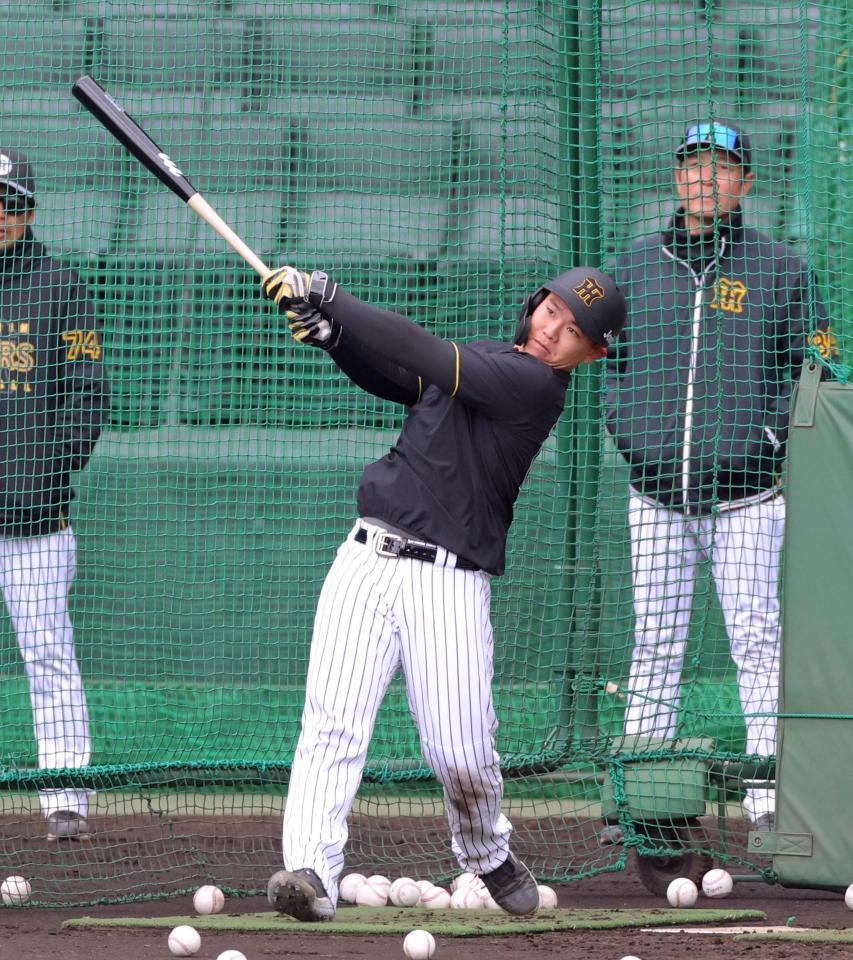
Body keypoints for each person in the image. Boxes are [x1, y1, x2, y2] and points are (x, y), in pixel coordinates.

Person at [259, 262, 627, 919]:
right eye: (552, 310)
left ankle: (486, 853)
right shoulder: (487, 355)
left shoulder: (537, 386)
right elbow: (399, 376)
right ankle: (310, 873)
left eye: (573, 330)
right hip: (366, 558)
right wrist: (334, 340)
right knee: (332, 724)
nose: (552, 330)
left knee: (460, 752)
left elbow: (423, 352)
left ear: (591, 353)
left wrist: (332, 298)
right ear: (535, 302)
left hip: (449, 583)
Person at [604, 121, 832, 840]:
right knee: (654, 643)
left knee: (757, 641)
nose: (705, 177)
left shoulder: (781, 269)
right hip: (656, 498)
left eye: (721, 166)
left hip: (746, 501)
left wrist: (763, 438)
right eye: (693, 165)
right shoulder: (633, 267)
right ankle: (643, 805)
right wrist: (631, 433)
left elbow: (815, 369)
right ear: (676, 179)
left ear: (745, 182)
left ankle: (767, 807)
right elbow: (610, 366)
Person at [0, 148, 109, 840]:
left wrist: (40, 475)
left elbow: (89, 396)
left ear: (29, 210)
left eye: (11, 203)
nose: (0, 215)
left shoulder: (58, 284)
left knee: (48, 654)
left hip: (33, 521)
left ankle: (64, 796)